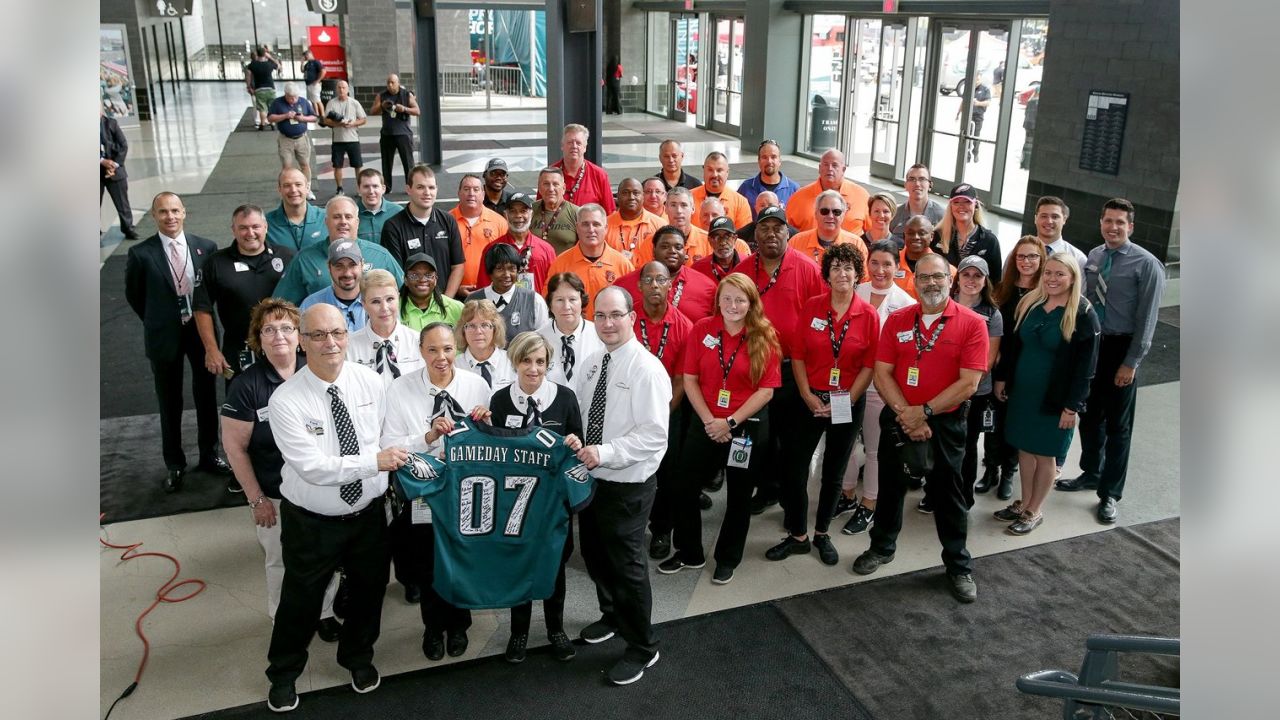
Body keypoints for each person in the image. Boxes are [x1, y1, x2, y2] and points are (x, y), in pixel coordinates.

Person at [263, 304, 408, 713]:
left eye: (338, 333)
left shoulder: (371, 382)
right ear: (302, 342)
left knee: (368, 592)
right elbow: (313, 469)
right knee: (301, 600)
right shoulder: (285, 400)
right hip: (312, 522)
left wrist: (420, 439)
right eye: (319, 335)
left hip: (367, 516)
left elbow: (387, 437)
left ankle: (357, 657)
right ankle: (284, 673)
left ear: (349, 335)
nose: (331, 343)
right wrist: (374, 463)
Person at [851, 254, 988, 604]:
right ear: (914, 281)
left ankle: (958, 565)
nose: (931, 283)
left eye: (938, 277)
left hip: (945, 423)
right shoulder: (896, 320)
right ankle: (881, 548)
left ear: (950, 279)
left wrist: (924, 413)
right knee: (891, 488)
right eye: (924, 277)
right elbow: (882, 372)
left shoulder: (972, 323)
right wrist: (906, 414)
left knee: (948, 495)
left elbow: (969, 383)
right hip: (899, 418)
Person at [220, 299, 341, 640]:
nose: (279, 337)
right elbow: (235, 448)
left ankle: (325, 611)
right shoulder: (246, 386)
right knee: (280, 560)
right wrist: (256, 500)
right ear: (258, 338)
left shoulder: (317, 370)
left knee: (325, 556)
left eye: (287, 328)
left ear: (300, 335)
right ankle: (282, 617)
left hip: (320, 489)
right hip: (274, 494)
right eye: (269, 330)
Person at [573, 286, 671, 686]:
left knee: (627, 566)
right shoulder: (594, 362)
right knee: (595, 555)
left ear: (632, 317)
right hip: (593, 480)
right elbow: (581, 413)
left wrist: (606, 452)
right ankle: (611, 615)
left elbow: (653, 436)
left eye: (616, 315)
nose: (608, 323)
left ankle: (644, 646)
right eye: (600, 316)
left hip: (627, 483)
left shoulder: (646, 369)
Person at [662, 273, 781, 583]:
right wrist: (709, 421)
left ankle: (728, 558)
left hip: (745, 427)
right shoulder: (702, 329)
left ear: (751, 303)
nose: (732, 305)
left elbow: (766, 391)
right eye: (726, 298)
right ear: (717, 301)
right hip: (705, 422)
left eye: (740, 299)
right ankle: (689, 553)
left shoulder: (764, 336)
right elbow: (689, 379)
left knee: (740, 496)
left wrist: (729, 422)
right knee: (684, 487)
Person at [1058, 199, 1166, 526]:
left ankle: (1110, 494)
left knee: (1119, 427)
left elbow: (1147, 320)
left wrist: (1131, 362)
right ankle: (1091, 472)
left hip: (1122, 348)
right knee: (1090, 416)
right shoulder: (1095, 256)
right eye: (1108, 221)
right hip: (1094, 345)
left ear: (1130, 227)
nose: (1113, 227)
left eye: (1120, 222)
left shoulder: (1147, 265)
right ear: (1101, 222)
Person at [380, 322, 491, 635]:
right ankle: (432, 627)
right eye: (432, 349)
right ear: (420, 352)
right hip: (423, 489)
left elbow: (486, 441)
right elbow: (390, 442)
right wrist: (427, 436)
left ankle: (459, 624)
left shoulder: (476, 385)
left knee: (461, 555)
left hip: (465, 488)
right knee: (427, 558)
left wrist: (484, 426)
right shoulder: (401, 389)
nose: (441, 357)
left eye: (447, 348)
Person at [770, 244, 878, 567]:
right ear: (827, 274)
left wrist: (846, 401)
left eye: (848, 268)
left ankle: (821, 532)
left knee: (834, 471)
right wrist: (806, 394)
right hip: (810, 396)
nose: (842, 274)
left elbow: (869, 366)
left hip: (847, 400)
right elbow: (799, 355)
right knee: (795, 466)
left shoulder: (869, 315)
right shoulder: (813, 307)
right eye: (836, 268)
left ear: (858, 274)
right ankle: (798, 534)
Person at [487, 332, 585, 662]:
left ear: (548, 363)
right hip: (517, 504)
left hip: (553, 503)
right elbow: (495, 454)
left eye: (540, 361)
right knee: (520, 567)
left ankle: (556, 629)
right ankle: (519, 633)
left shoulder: (565, 397)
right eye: (526, 361)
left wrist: (573, 444)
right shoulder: (500, 401)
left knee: (554, 567)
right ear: (515, 362)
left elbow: (580, 447)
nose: (533, 369)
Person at [124, 192, 229, 493]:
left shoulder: (205, 248)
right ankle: (175, 463)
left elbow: (210, 292)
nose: (169, 217)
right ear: (154, 216)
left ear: (184, 213)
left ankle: (210, 454)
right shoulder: (141, 254)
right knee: (169, 401)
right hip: (164, 335)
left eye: (174, 211)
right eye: (162, 212)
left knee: (207, 395)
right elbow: (135, 296)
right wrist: (159, 319)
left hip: (202, 333)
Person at [994, 254, 1100, 535]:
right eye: (1048, 273)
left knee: (1046, 454)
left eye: (1060, 274)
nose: (1052, 279)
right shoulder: (1031, 303)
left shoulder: (1083, 313)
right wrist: (1003, 378)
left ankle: (1035, 510)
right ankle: (1024, 501)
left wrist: (1072, 406)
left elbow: (1085, 368)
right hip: (1024, 393)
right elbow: (1014, 346)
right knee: (1025, 450)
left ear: (1073, 278)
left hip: (1055, 398)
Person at [732, 206, 824, 513]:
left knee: (791, 438)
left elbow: (820, 314)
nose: (771, 234)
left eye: (778, 228)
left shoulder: (806, 268)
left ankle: (790, 495)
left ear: (788, 233)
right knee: (762, 436)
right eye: (765, 228)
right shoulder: (742, 271)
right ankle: (767, 488)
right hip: (755, 370)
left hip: (793, 370)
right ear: (755, 235)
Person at [839, 240, 917, 535]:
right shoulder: (852, 293)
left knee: (874, 449)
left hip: (878, 390)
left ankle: (869, 503)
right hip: (846, 385)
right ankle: (846, 495)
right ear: (866, 264)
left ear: (898, 268)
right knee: (845, 445)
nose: (880, 270)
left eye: (887, 264)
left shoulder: (907, 305)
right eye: (874, 263)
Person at [193, 204, 294, 403]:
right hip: (239, 350)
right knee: (243, 407)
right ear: (233, 230)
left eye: (255, 227)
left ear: (265, 227)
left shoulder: (288, 257)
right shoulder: (215, 263)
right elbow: (202, 308)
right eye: (243, 228)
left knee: (288, 404)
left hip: (283, 347)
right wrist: (212, 350)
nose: (250, 233)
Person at [629, 261, 693, 559]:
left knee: (667, 474)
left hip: (668, 411)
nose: (655, 285)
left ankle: (661, 530)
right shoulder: (627, 321)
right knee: (630, 469)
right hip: (628, 408)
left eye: (661, 280)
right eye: (649, 280)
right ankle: (629, 527)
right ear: (639, 286)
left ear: (671, 285)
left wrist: (661, 414)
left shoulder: (684, 326)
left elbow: (682, 378)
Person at [938, 256, 1004, 514]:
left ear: (985, 281)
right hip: (942, 389)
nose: (971, 280)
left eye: (978, 276)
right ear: (957, 278)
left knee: (966, 445)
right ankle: (937, 493)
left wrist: (963, 384)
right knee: (941, 444)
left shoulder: (992, 314)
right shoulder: (944, 305)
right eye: (967, 275)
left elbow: (987, 361)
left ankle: (963, 496)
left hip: (974, 393)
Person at [988, 235, 1048, 498]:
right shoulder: (1002, 290)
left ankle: (1008, 473)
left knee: (1015, 423)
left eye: (1033, 256)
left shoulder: (1047, 293)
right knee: (993, 423)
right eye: (1021, 256)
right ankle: (991, 469)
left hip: (1027, 370)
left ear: (1042, 260)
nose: (1026, 261)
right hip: (1000, 365)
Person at [274, 196, 404, 304]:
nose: (343, 222)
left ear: (357, 222)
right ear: (326, 222)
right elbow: (281, 304)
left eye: (348, 217)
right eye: (336, 217)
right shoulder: (304, 259)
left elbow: (406, 295)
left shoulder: (381, 256)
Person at [379, 165, 465, 295]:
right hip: (410, 307)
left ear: (437, 189)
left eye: (431, 187)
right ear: (408, 189)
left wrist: (447, 301)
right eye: (420, 187)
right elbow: (395, 273)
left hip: (444, 303)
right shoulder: (393, 227)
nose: (427, 192)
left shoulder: (448, 221)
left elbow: (458, 266)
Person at [546, 204, 635, 318]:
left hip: (611, 330)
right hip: (574, 331)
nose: (591, 229)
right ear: (577, 228)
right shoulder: (560, 264)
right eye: (585, 224)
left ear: (606, 228)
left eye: (596, 224)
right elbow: (550, 302)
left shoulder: (623, 265)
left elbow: (632, 304)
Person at [614, 226, 717, 322]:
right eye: (665, 246)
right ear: (654, 250)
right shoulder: (624, 286)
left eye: (678, 247)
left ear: (685, 252)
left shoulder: (707, 286)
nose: (672, 251)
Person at [346, 269, 425, 386]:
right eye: (376, 301)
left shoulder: (418, 341)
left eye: (390, 299)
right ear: (363, 304)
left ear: (398, 298)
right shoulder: (349, 346)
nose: (384, 308)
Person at [476, 192, 557, 294]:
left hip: (536, 308)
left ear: (531, 214)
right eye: (513, 211)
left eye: (523, 211)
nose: (518, 216)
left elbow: (554, 287)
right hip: (502, 308)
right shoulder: (492, 249)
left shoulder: (546, 250)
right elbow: (483, 288)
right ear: (506, 214)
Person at [467, 243, 549, 337]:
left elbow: (544, 339)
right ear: (490, 272)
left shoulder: (534, 301)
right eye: (500, 269)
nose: (506, 275)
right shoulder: (473, 300)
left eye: (512, 269)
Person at [538, 272, 604, 386]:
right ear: (550, 303)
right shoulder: (537, 339)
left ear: (582, 301)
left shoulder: (600, 336)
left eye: (572, 299)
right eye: (559, 300)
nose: (566, 306)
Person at [786, 149, 870, 234]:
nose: (829, 169)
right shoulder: (798, 197)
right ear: (819, 168)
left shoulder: (861, 196)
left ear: (843, 170)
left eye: (834, 165)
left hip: (851, 246)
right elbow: (787, 232)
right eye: (826, 165)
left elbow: (873, 233)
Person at [932, 183, 1003, 284]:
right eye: (956, 202)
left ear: (976, 205)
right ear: (950, 206)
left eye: (967, 202)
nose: (961, 206)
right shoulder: (938, 236)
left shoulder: (990, 241)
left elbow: (996, 281)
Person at [450, 174, 508, 294]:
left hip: (492, 292)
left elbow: (506, 260)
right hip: (455, 294)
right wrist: (455, 289)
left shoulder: (499, 222)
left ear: (483, 194)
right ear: (459, 193)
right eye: (466, 189)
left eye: (476, 189)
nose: (471, 193)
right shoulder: (446, 221)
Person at [789, 190, 869, 271]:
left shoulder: (857, 244)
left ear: (843, 215)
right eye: (825, 211)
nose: (830, 216)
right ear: (816, 214)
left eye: (836, 212)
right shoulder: (796, 242)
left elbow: (863, 279)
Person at [300, 240, 368, 332]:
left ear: (362, 265)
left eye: (352, 265)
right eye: (339, 266)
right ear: (329, 267)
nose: (347, 273)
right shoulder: (311, 305)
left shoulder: (377, 301)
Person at [267, 84, 318, 195]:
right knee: (287, 166)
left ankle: (307, 189)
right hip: (285, 139)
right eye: (290, 97)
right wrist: (285, 116)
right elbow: (270, 118)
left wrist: (303, 118)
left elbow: (314, 118)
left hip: (301, 138)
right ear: (285, 94)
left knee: (305, 164)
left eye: (295, 97)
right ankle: (288, 190)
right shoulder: (277, 103)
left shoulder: (304, 102)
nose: (293, 100)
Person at [551, 124, 615, 214]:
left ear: (585, 147)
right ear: (562, 146)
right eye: (570, 142)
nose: (574, 146)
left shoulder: (599, 175)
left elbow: (609, 214)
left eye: (578, 143)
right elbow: (538, 212)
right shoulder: (550, 174)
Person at [640, 186, 710, 267]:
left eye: (684, 205)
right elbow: (644, 275)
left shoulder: (707, 241)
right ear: (665, 208)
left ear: (693, 209)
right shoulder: (651, 242)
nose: (679, 211)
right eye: (673, 205)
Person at [454, 298, 515, 391]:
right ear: (463, 330)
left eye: (484, 325)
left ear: (495, 329)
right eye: (471, 326)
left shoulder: (512, 362)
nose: (478, 331)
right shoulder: (454, 366)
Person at [266, 168, 328, 252]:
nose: (293, 190)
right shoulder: (266, 224)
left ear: (307, 188)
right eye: (287, 185)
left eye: (298, 184)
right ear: (279, 189)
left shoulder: (326, 218)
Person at [376, 74, 419, 194]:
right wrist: (382, 106)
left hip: (403, 134)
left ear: (398, 83)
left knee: (408, 163)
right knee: (386, 163)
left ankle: (410, 186)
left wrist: (404, 109)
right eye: (388, 82)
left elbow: (417, 111)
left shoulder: (406, 94)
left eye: (393, 82)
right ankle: (387, 187)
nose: (390, 85)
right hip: (387, 134)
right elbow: (372, 111)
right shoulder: (382, 96)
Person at [323, 80, 367, 196]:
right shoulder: (331, 103)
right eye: (339, 88)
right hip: (338, 139)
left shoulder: (354, 103)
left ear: (348, 89)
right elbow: (326, 120)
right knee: (337, 165)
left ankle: (359, 187)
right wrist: (339, 124)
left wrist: (353, 123)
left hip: (353, 139)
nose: (341, 90)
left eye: (344, 88)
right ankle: (340, 188)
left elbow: (363, 119)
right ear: (336, 89)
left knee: (358, 165)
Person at [606, 177, 665, 262]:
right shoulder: (604, 225)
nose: (631, 197)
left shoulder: (660, 225)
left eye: (636, 193)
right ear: (617, 196)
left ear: (643, 196)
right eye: (625, 193)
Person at [400, 253, 463, 331]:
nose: (422, 280)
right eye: (414, 275)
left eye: (428, 275)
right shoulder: (393, 308)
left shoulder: (456, 308)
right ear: (405, 280)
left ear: (435, 279)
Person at [736, 139, 799, 217]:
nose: (769, 161)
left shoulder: (793, 189)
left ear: (780, 161)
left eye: (773, 157)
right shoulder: (746, 188)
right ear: (758, 161)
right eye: (764, 157)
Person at [100, 110, 137, 238]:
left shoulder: (111, 123)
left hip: (115, 168)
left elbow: (123, 145)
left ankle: (128, 228)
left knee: (122, 202)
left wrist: (114, 164)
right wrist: (102, 161)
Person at [690, 151, 751, 230]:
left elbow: (743, 236)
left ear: (727, 172)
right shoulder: (688, 198)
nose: (715, 175)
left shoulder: (740, 202)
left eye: (719, 170)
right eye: (710, 170)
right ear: (704, 170)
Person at [897, 215, 953, 300]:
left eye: (922, 233)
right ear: (904, 235)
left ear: (931, 236)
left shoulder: (947, 270)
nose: (916, 237)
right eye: (911, 233)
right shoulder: (889, 262)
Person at [531, 167, 581, 255]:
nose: (551, 189)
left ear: (564, 188)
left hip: (565, 267)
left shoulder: (577, 213)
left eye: (555, 184)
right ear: (539, 187)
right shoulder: (529, 211)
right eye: (546, 184)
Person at [889, 164, 946, 239]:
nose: (917, 184)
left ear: (930, 185)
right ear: (905, 185)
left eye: (922, 179)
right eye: (912, 179)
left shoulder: (941, 216)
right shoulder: (895, 215)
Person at [1033, 195, 1089, 270]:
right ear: (1035, 219)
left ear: (1064, 219)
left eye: (1055, 217)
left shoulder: (1078, 259)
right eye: (1044, 216)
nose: (1049, 221)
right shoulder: (1019, 251)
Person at [693, 216, 749, 285]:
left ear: (735, 238)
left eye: (727, 236)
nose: (722, 242)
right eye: (717, 237)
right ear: (710, 241)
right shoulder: (698, 269)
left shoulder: (748, 264)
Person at [355, 169, 404, 245]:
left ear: (383, 189)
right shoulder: (350, 214)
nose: (371, 191)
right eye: (366, 186)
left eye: (375, 186)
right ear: (358, 189)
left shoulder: (398, 212)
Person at [244, 45, 280, 131]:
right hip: (271, 88)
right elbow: (278, 66)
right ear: (265, 54)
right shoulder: (269, 64)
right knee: (271, 107)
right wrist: (270, 57)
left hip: (259, 89)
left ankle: (262, 124)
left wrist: (249, 86)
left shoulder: (252, 65)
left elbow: (248, 76)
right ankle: (272, 124)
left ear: (257, 54)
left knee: (262, 108)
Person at [959, 74, 992, 161]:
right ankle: (967, 156)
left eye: (978, 79)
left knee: (976, 136)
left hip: (978, 116)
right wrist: (958, 113)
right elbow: (963, 101)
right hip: (968, 116)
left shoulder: (985, 89)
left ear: (980, 79)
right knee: (967, 135)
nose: (977, 81)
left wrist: (978, 103)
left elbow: (988, 103)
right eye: (975, 80)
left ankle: (975, 153)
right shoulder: (969, 89)